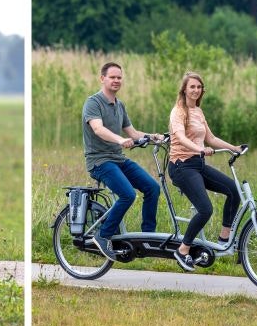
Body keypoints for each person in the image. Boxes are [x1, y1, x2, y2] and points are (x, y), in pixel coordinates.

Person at [82, 62, 163, 261]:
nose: (117, 80)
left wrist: (153, 136)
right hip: (100, 161)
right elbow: (98, 129)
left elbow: (133, 133)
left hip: (118, 159)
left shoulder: (119, 105)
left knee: (152, 187)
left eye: (119, 77)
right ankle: (103, 235)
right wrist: (120, 140)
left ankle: (146, 237)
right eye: (112, 77)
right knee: (127, 194)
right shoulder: (93, 103)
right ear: (102, 78)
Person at [168, 72, 242, 272]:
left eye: (199, 87)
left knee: (234, 191)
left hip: (198, 164)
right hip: (181, 165)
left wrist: (234, 148)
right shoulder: (178, 111)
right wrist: (198, 149)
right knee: (205, 209)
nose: (196, 90)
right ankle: (183, 250)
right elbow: (181, 137)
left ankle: (223, 238)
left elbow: (211, 138)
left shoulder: (198, 112)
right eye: (192, 87)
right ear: (184, 89)